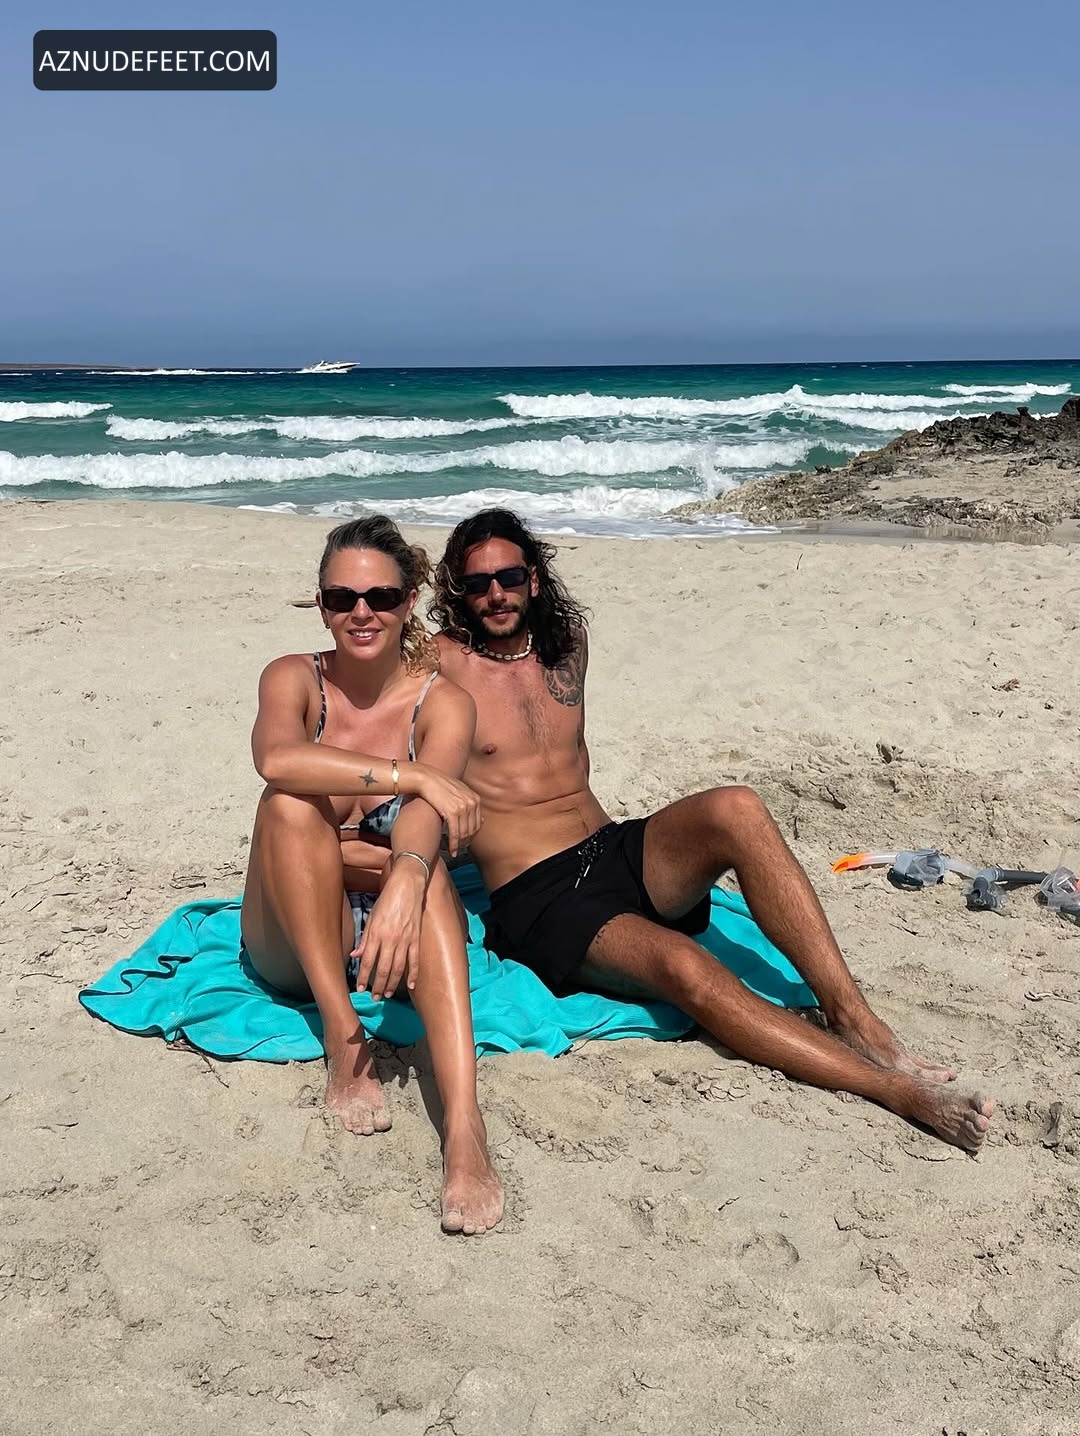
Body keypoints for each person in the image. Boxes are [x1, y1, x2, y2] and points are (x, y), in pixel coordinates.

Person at [430, 508, 994, 1155]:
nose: (495, 594)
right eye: (478, 583)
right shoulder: (441, 665)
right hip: (540, 896)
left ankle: (853, 1017)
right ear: (458, 591)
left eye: (508, 577)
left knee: (737, 807)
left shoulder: (567, 641)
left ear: (532, 577)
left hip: (611, 849)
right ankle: (892, 1090)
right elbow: (365, 673)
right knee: (684, 964)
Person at [241, 515, 503, 1234]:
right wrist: (408, 775)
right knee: (289, 804)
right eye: (342, 598)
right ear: (322, 605)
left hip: (395, 927)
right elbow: (277, 760)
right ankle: (344, 1036)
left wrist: (406, 877)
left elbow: (424, 821)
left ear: (409, 600)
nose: (362, 613)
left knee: (429, 872)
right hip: (301, 939)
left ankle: (465, 1130)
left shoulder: (442, 702)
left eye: (381, 597)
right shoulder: (294, 678)